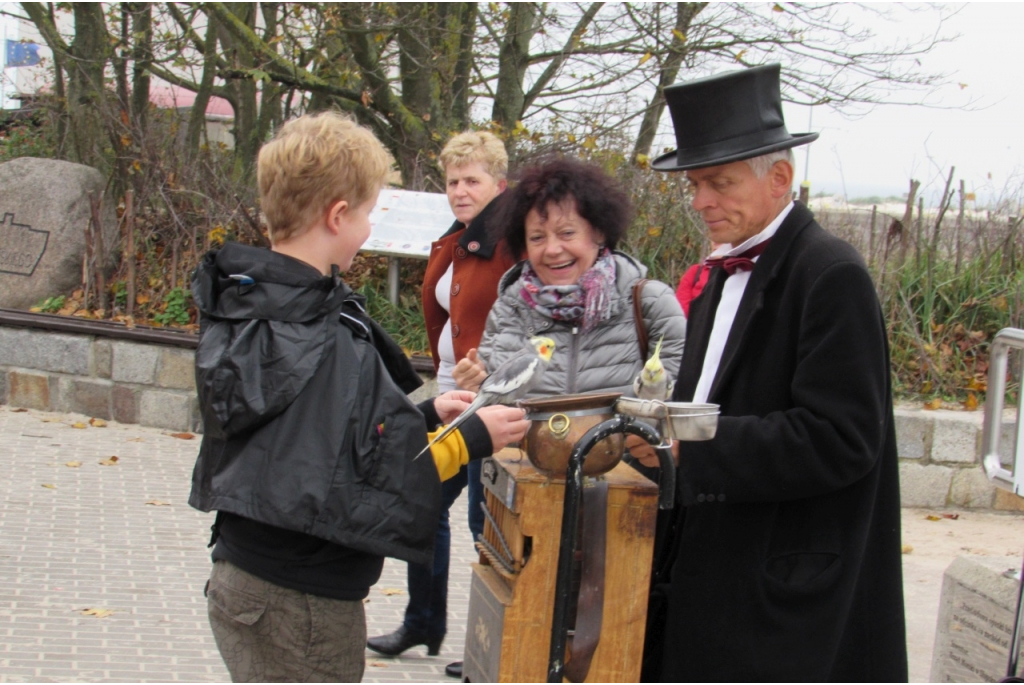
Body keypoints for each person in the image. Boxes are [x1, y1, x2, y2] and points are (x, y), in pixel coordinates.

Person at [188, 111, 529, 683]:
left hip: (245, 576)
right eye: (368, 212)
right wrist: (472, 436)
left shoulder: (256, 303)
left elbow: (308, 435)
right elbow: (363, 471)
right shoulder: (316, 330)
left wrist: (421, 414)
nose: (369, 227)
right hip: (301, 604)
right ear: (338, 214)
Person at [631, 63, 908, 681]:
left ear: (779, 178)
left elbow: (843, 440)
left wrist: (687, 447)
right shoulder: (716, 273)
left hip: (780, 592)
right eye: (696, 184)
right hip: (708, 571)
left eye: (719, 183)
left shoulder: (831, 274)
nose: (701, 201)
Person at [366, 131, 516, 680]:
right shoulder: (452, 239)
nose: (460, 190)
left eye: (471, 180)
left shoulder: (514, 242)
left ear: (499, 185)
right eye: (452, 181)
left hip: (496, 401)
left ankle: (496, 644)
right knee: (420, 498)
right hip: (451, 396)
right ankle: (424, 620)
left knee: (487, 525)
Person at [455, 157, 686, 410]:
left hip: (620, 450)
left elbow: (680, 401)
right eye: (537, 237)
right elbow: (491, 410)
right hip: (523, 451)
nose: (552, 250)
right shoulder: (508, 309)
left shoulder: (650, 304)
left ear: (598, 232)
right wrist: (476, 386)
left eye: (567, 233)